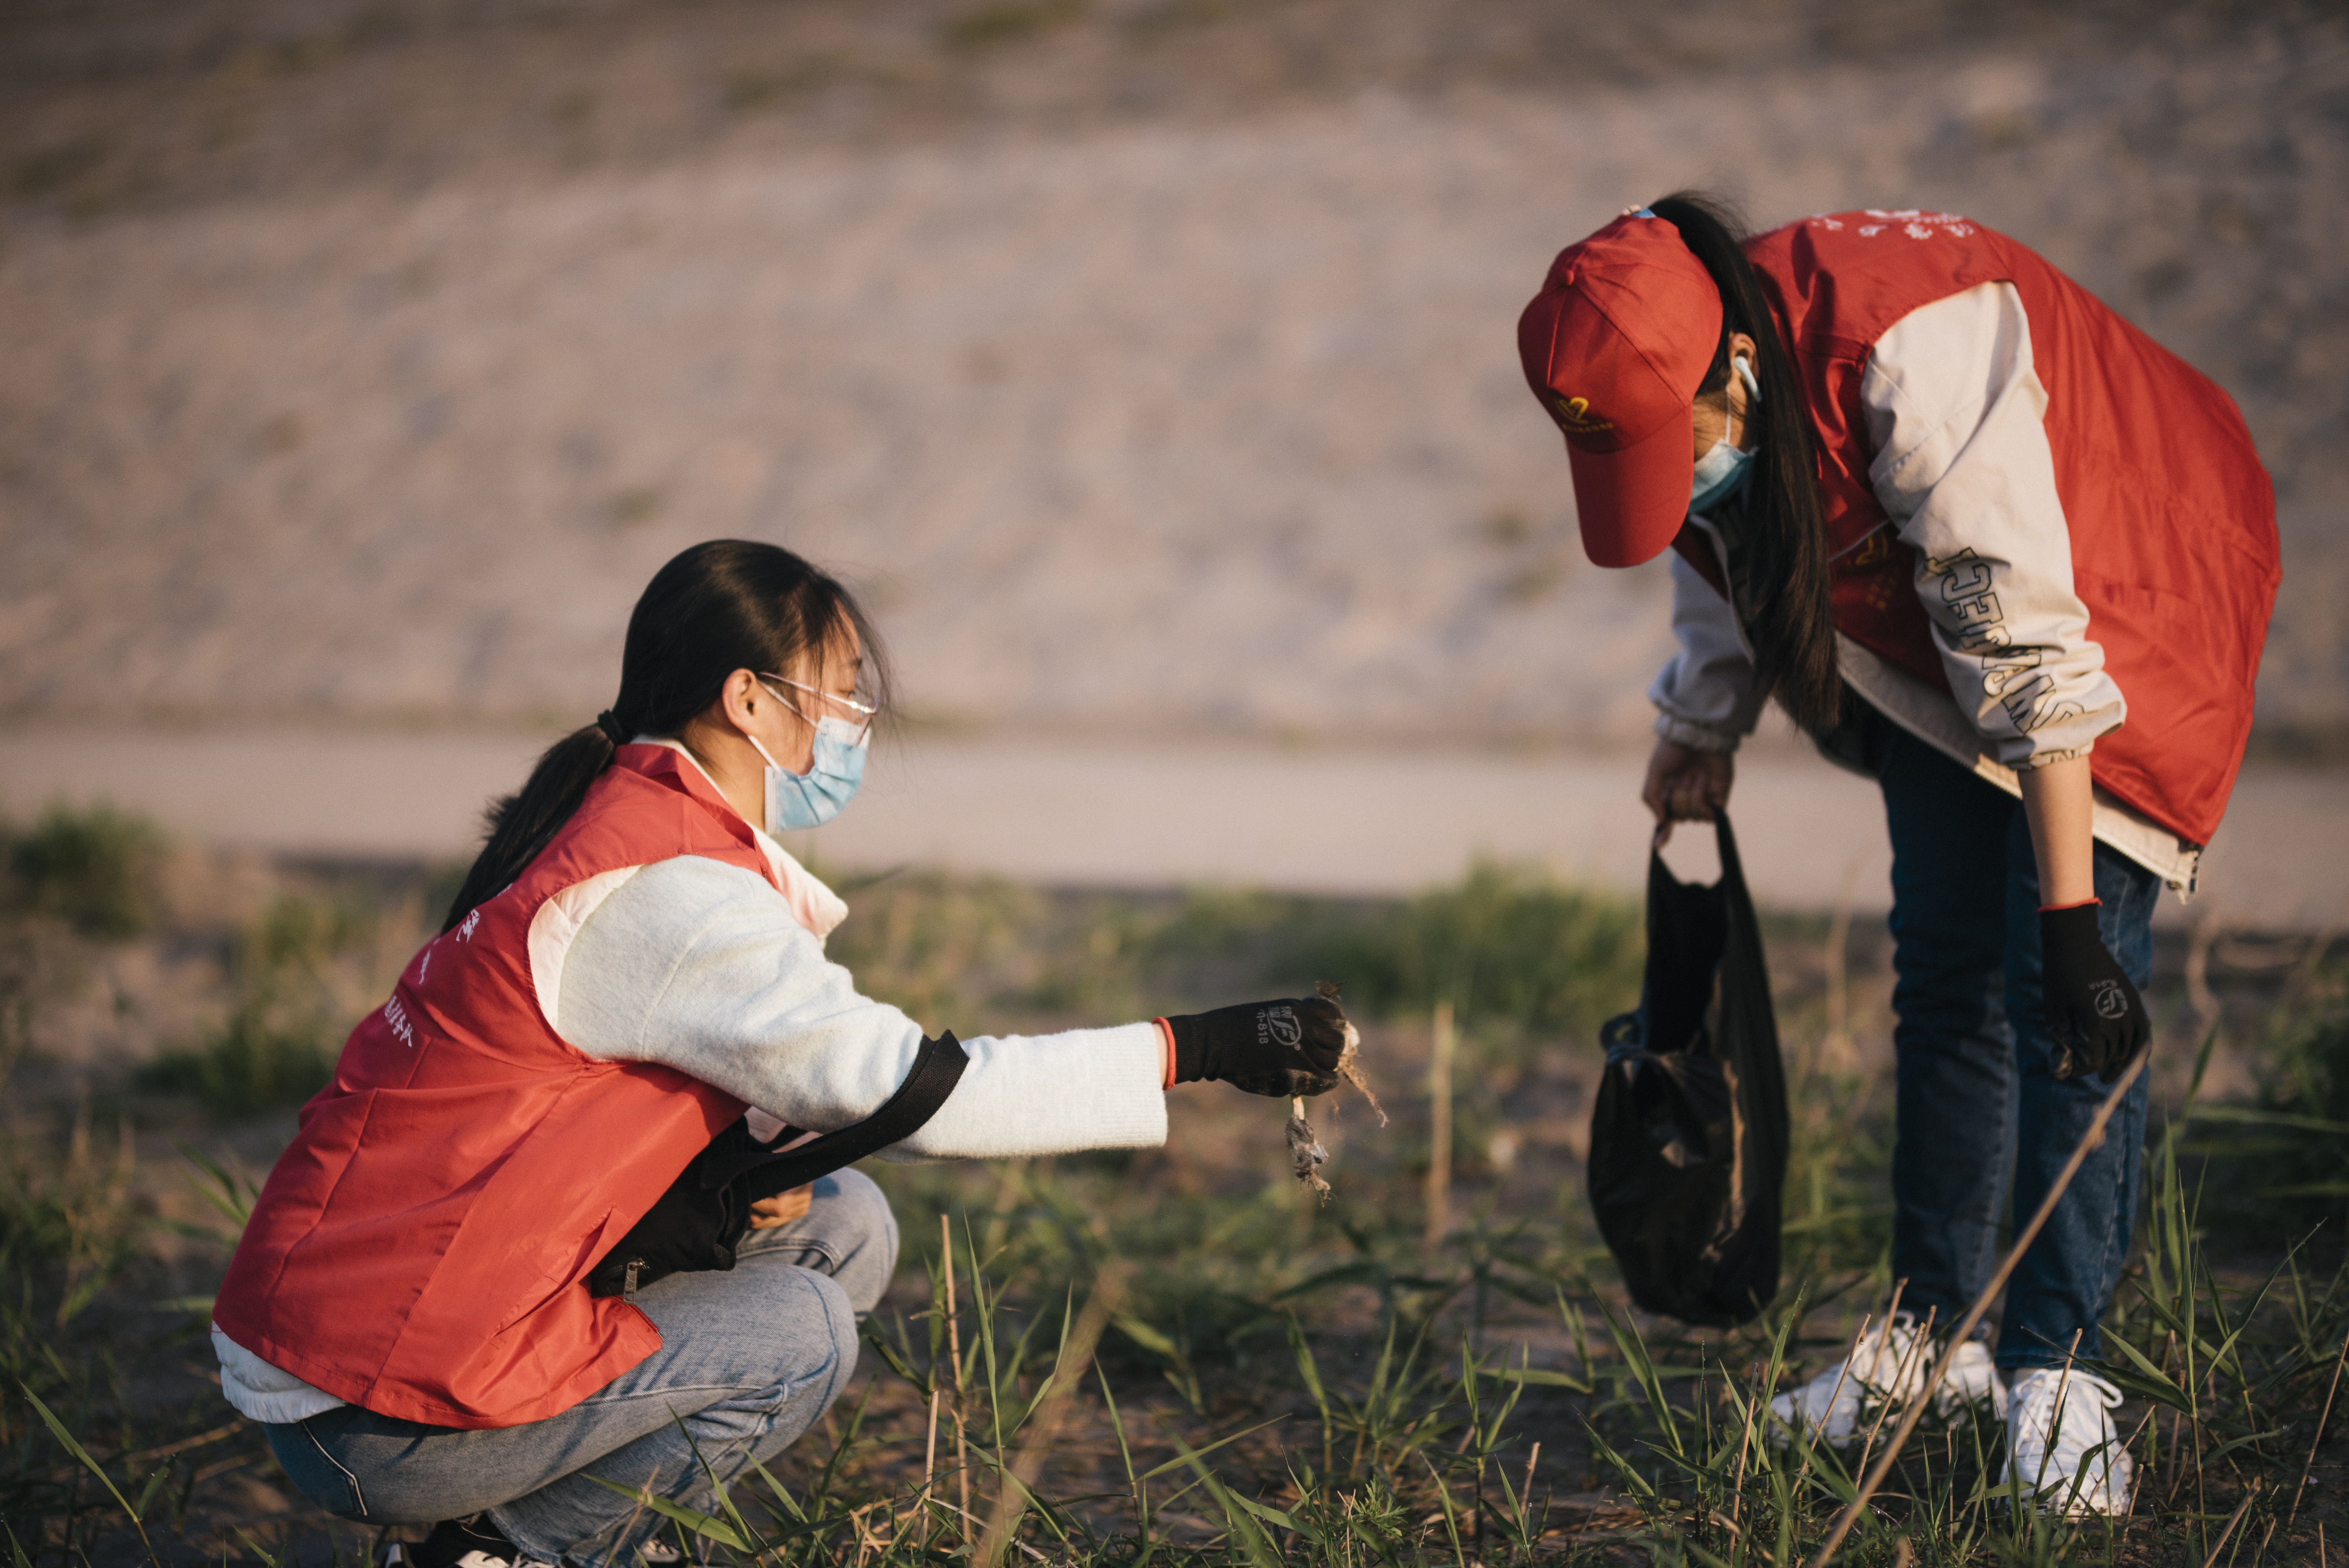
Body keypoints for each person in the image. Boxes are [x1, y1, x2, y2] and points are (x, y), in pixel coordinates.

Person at [209, 540, 1351, 1568]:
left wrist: (752, 1161)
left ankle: (558, 1529)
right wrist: (1199, 1049)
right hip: (368, 1411)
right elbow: (928, 1096)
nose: (852, 726)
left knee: (841, 1221)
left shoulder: (620, 816)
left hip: (357, 1333)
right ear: (749, 701)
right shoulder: (673, 895)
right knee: (796, 1331)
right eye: (842, 697)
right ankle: (508, 1554)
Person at [1517, 194, 2277, 1514]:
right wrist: (1703, 723)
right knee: (1942, 980)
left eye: (1676, 445)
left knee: (2062, 997)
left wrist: (2077, 922)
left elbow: (2033, 657)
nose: (1677, 476)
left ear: (1739, 373)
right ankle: (1939, 1336)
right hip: (1938, 632)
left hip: (2125, 578)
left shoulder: (1908, 348)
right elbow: (1715, 542)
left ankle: (2062, 1369)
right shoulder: (1698, 364)